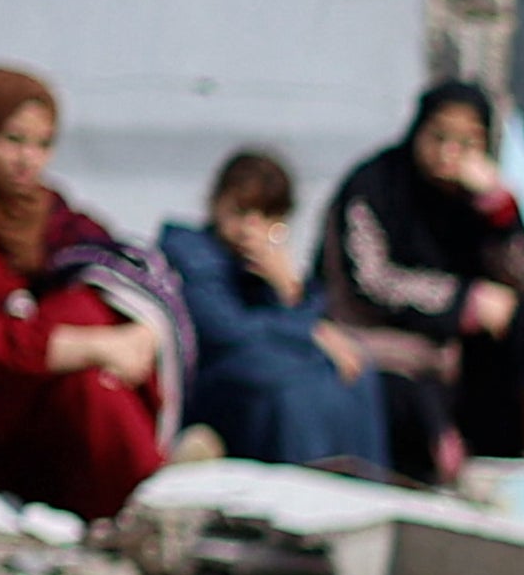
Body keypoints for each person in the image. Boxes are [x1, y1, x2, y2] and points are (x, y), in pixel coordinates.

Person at [0, 67, 181, 517]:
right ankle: (152, 491)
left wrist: (139, 336)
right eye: (13, 140)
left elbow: (109, 257)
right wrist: (92, 342)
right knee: (81, 312)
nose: (28, 159)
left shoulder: (44, 209)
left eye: (42, 144)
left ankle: (144, 496)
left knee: (94, 379)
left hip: (19, 404)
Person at [321, 81, 524, 473]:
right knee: (410, 394)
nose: (448, 154)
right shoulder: (374, 187)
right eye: (438, 137)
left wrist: (499, 212)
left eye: (466, 142)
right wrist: (464, 303)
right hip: (384, 338)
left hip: (463, 342)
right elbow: (369, 281)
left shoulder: (476, 199)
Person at [157, 151, 389, 471]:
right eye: (240, 212)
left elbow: (307, 316)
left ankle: (361, 479)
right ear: (216, 203)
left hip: (266, 359)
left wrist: (288, 287)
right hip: (216, 377)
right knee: (291, 392)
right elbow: (226, 331)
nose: (249, 228)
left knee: (355, 371)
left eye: (266, 217)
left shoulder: (263, 266)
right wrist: (307, 330)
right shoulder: (192, 255)